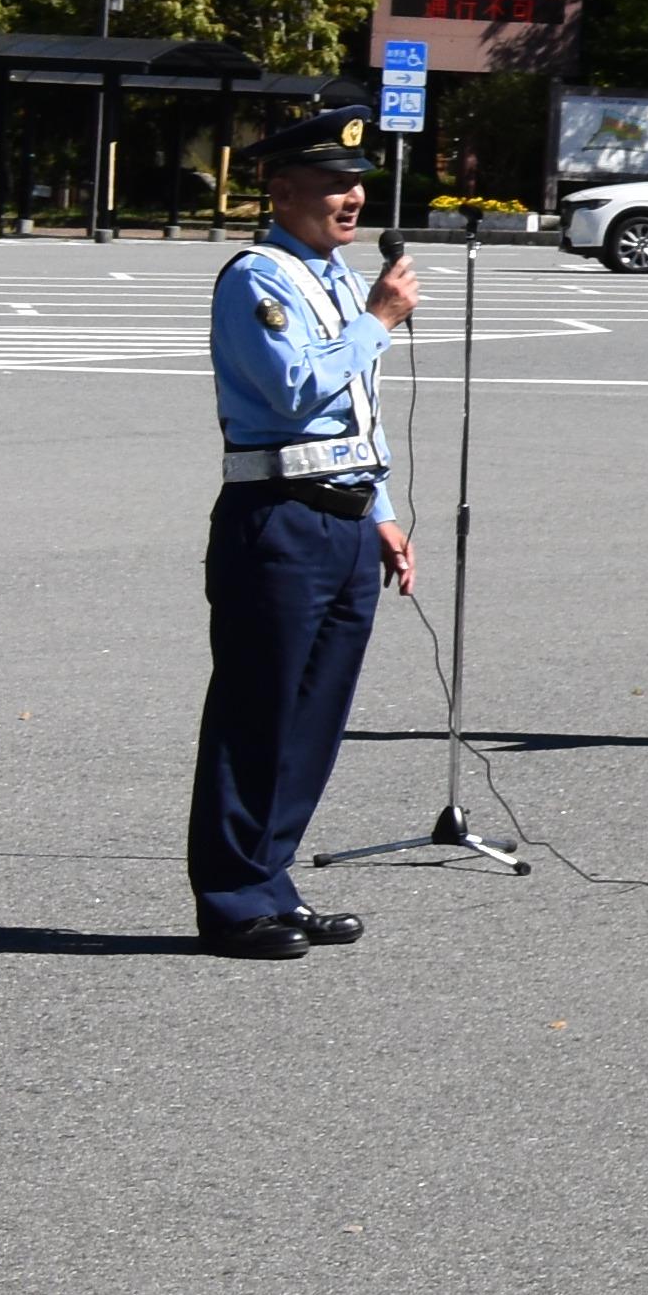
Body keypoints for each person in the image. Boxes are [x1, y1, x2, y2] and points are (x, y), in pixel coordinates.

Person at [189, 111, 420, 958]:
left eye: (354, 182)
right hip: (279, 519)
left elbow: (355, 415)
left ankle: (271, 881)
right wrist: (379, 322)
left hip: (348, 520)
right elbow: (292, 392)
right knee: (257, 712)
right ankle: (231, 899)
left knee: (313, 720)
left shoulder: (331, 276)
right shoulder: (261, 276)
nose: (352, 197)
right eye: (331, 183)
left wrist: (386, 512)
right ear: (281, 192)